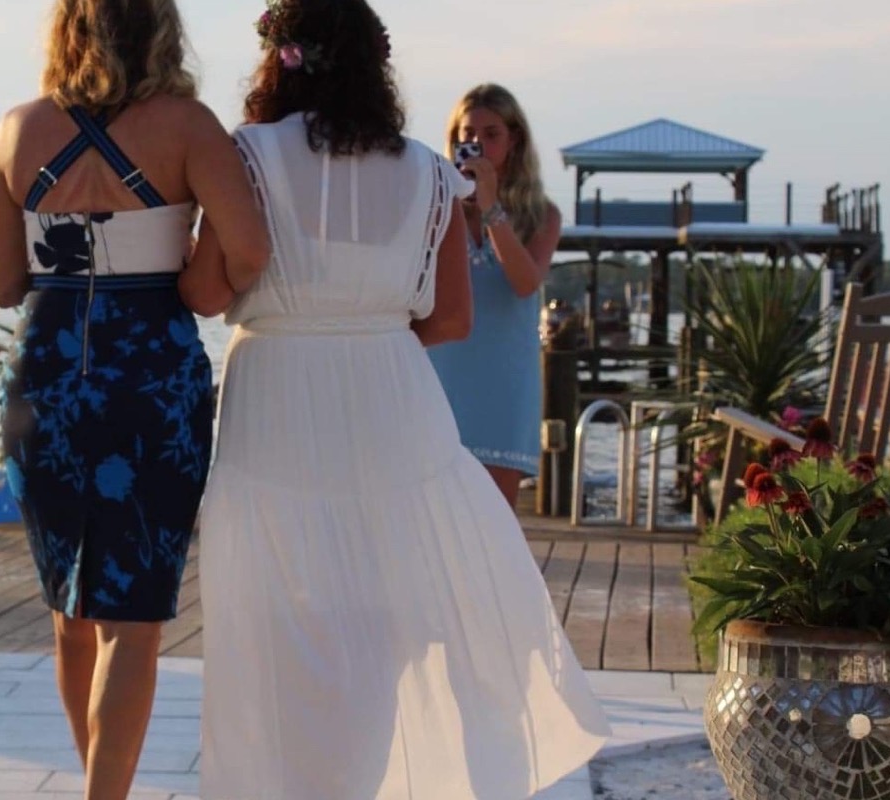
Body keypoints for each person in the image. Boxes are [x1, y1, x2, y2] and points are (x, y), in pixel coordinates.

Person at [184, 2, 610, 798]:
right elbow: (451, 319)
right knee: (383, 608)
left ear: (281, 61)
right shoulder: (429, 173)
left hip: (277, 389)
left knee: (277, 606)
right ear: (374, 68)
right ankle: (368, 775)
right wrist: (366, 331)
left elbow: (207, 292)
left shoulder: (248, 155)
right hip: (390, 391)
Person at [0, 1, 269, 798]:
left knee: (71, 614)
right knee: (133, 622)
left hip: (44, 378)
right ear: (159, 30)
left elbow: (5, 281)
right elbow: (247, 252)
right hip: (149, 381)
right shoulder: (189, 127)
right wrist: (193, 277)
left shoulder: (17, 129)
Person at [427, 83, 562, 510]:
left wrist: (491, 208)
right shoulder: (436, 207)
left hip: (503, 382)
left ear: (513, 139)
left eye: (491, 134)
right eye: (467, 134)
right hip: (441, 376)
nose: (477, 144)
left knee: (495, 522)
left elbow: (525, 283)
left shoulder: (542, 215)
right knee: (436, 518)